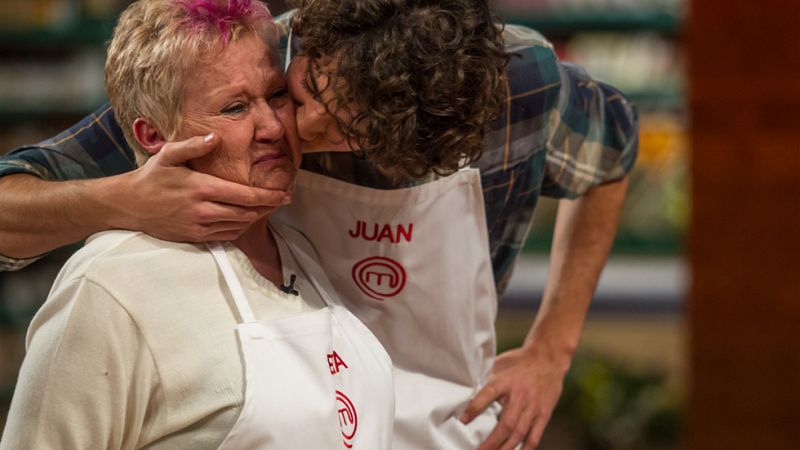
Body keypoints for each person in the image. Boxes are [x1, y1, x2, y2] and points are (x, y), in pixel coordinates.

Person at [0, 0, 637, 449]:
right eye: (302, 94)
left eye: (348, 134)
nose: (292, 130)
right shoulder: (240, 65)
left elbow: (613, 151)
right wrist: (127, 198)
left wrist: (552, 350)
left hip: (456, 425)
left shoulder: (517, 91)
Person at [0, 1, 394, 449]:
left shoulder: (300, 252)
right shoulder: (109, 287)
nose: (271, 126)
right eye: (234, 108)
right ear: (152, 136)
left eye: (277, 96)